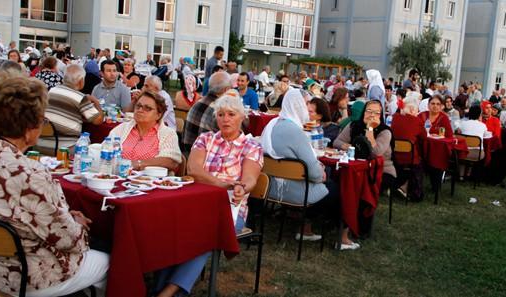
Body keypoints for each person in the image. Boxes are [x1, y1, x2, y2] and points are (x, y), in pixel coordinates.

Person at [0, 73, 109, 297]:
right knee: (109, 261)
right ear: (30, 129)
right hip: (30, 278)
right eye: (42, 120)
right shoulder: (29, 173)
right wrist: (79, 224)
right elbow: (69, 241)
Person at [155, 94, 262, 297]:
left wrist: (242, 188)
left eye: (231, 114)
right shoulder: (205, 139)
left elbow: (250, 178)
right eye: (221, 114)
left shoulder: (251, 146)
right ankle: (161, 286)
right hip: (195, 205)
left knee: (206, 231)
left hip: (230, 210)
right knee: (172, 225)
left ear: (242, 118)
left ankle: (168, 291)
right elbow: (194, 169)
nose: (225, 119)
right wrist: (221, 184)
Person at [262, 89, 359, 250]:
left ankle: (307, 228)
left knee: (327, 184)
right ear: (297, 105)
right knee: (340, 190)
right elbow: (313, 173)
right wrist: (320, 173)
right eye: (306, 103)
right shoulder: (294, 130)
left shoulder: (273, 123)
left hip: (270, 186)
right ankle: (342, 238)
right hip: (293, 190)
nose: (307, 108)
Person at [108, 90, 181, 171]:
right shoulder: (122, 128)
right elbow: (105, 150)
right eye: (138, 106)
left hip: (149, 181)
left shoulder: (168, 134)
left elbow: (170, 161)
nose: (140, 110)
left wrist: (139, 164)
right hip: (118, 177)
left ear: (158, 115)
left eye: (147, 108)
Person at [40, 64, 103, 151]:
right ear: (81, 81)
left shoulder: (51, 91)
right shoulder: (80, 97)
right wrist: (96, 102)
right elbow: (98, 120)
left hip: (41, 143)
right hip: (64, 149)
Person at [334, 100, 396, 183]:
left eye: (376, 113)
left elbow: (375, 153)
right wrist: (350, 147)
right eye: (369, 111)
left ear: (380, 116)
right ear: (363, 112)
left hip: (380, 170)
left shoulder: (385, 131)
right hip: (354, 167)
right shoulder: (354, 125)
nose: (372, 115)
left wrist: (370, 128)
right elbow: (337, 142)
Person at [183, 71, 232, 151]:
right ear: (226, 89)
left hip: (187, 153)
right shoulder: (220, 110)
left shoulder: (197, 103)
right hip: (206, 157)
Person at [391, 97, 426, 201]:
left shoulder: (395, 118)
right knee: (419, 161)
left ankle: (401, 185)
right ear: (411, 110)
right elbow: (424, 137)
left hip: (395, 155)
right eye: (417, 110)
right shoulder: (416, 121)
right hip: (410, 157)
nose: (418, 112)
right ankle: (414, 192)